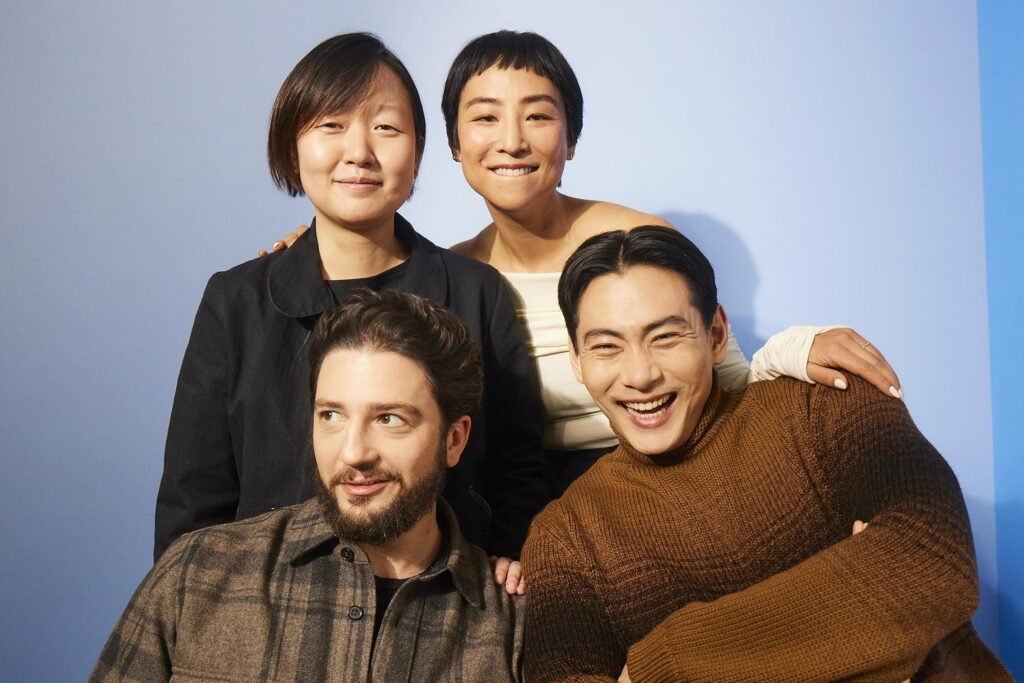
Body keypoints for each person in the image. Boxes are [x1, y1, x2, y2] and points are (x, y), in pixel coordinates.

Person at [274, 30, 904, 496]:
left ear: (570, 138)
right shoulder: (455, 278)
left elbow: (724, 378)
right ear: (455, 146)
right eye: (485, 118)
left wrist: (799, 345)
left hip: (667, 476)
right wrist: (313, 247)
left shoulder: (635, 240)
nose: (512, 140)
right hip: (535, 510)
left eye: (539, 116)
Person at [520, 227, 1009, 682]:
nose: (640, 374)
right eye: (606, 346)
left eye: (665, 337)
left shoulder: (824, 404)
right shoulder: (564, 539)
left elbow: (931, 559)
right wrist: (870, 631)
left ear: (715, 335)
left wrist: (666, 662)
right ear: (577, 361)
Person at [156, 33, 547, 583]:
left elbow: (518, 465)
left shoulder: (476, 292)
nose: (359, 152)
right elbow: (192, 499)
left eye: (385, 128)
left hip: (437, 605)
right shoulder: (236, 300)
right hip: (265, 609)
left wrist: (509, 562)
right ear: (292, 146)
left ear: (418, 149)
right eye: (330, 126)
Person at [93, 290, 524, 682]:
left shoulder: (512, 626)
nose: (353, 453)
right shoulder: (196, 572)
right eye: (331, 416)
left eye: (389, 419)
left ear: (454, 440)